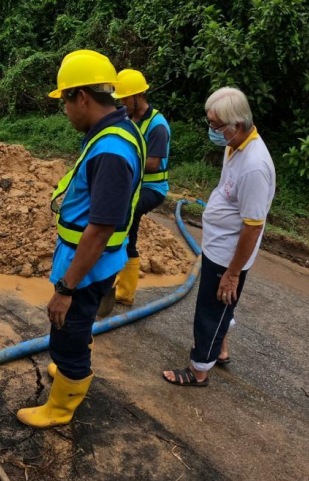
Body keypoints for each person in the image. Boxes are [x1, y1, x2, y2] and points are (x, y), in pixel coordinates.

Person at [19, 50, 144, 428]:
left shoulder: (111, 151)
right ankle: (70, 372)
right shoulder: (116, 131)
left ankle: (60, 408)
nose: (66, 112)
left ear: (82, 97)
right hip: (96, 260)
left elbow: (101, 227)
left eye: (65, 103)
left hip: (88, 265)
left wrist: (66, 287)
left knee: (68, 331)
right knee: (79, 326)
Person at [163, 87, 274, 387]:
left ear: (236, 124)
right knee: (223, 304)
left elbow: (252, 226)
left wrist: (232, 273)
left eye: (215, 124)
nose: (210, 129)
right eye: (209, 121)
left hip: (228, 255)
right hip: (219, 246)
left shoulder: (255, 167)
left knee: (211, 309)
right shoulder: (234, 145)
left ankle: (199, 371)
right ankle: (219, 350)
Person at [111, 69, 172, 304]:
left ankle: (125, 292)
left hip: (151, 189)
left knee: (127, 218)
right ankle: (120, 285)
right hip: (132, 184)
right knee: (123, 226)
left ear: (138, 96)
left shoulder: (157, 125)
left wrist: (122, 164)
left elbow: (154, 165)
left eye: (125, 99)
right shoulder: (127, 118)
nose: (122, 103)